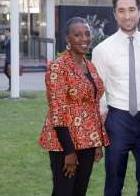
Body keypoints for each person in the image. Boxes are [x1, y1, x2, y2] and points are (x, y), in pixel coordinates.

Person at [92, 0, 140, 196]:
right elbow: (99, 93)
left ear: (139, 12)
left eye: (131, 10)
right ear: (115, 14)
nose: (127, 15)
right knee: (113, 181)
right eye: (121, 11)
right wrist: (99, 129)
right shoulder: (102, 50)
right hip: (117, 120)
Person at [39, 17, 109, 196]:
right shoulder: (58, 67)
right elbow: (58, 111)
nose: (84, 39)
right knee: (63, 191)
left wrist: (96, 143)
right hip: (64, 143)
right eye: (78, 35)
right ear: (67, 39)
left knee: (80, 191)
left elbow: (92, 106)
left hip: (87, 140)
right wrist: (69, 153)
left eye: (87, 34)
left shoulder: (89, 66)